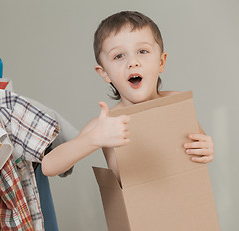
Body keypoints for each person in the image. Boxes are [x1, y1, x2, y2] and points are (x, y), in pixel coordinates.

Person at [41, 11, 214, 178]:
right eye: (119, 56)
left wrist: (207, 147)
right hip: (136, 208)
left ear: (161, 62)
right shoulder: (106, 123)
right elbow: (49, 166)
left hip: (183, 204)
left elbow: (200, 142)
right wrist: (94, 138)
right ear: (105, 73)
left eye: (142, 51)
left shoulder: (175, 103)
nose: (132, 62)